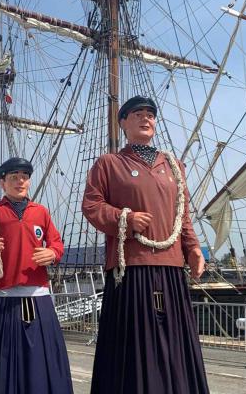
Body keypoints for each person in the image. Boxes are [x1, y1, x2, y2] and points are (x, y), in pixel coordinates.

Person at [82, 96, 209, 393]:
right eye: (137, 114)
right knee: (134, 342)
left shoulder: (173, 166)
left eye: (150, 114)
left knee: (175, 342)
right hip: (131, 268)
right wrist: (123, 218)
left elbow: (183, 214)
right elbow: (92, 206)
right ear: (123, 122)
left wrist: (193, 249)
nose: (145, 118)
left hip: (171, 267)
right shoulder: (110, 164)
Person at [0, 157, 73, 394]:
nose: (20, 181)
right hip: (3, 299)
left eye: (24, 177)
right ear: (3, 183)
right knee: (3, 362)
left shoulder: (41, 212)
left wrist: (52, 253)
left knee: (43, 362)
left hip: (39, 296)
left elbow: (57, 244)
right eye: (13, 177)